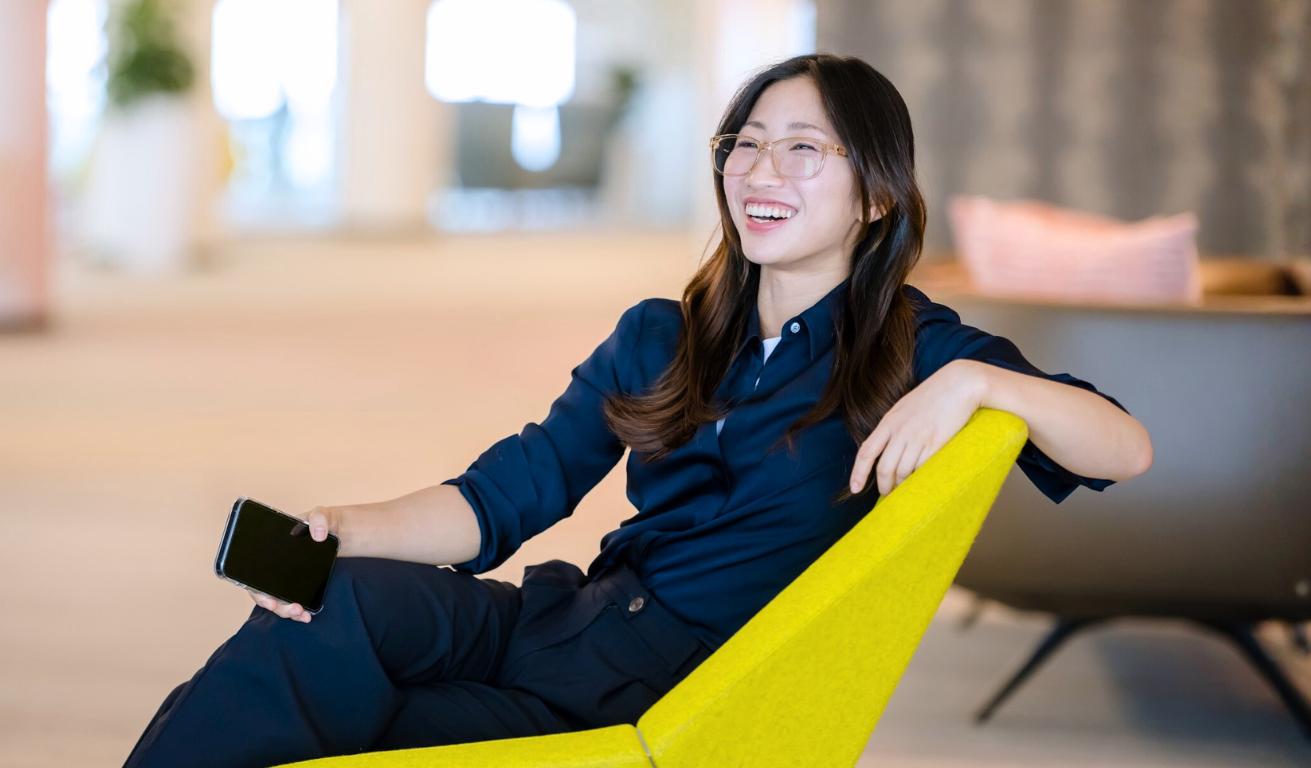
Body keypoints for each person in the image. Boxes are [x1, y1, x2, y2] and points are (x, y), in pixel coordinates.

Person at [121, 53, 1154, 768]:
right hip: (555, 617)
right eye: (744, 144)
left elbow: (1124, 447)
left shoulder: (913, 351)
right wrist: (344, 530)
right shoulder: (663, 332)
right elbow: (503, 498)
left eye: (804, 150)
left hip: (649, 685)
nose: (759, 171)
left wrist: (985, 384)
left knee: (328, 703)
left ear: (875, 194)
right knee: (330, 606)